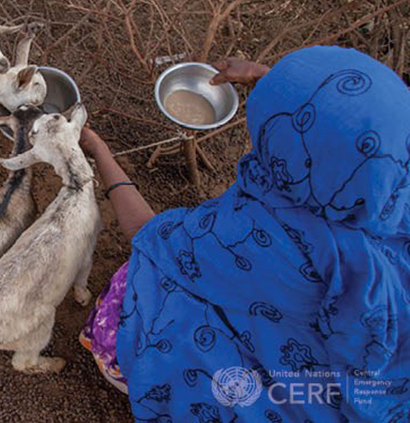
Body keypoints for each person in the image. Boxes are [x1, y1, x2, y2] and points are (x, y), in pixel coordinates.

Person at [79, 46, 410, 422]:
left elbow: (150, 234)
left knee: (138, 284)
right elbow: (344, 129)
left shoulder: (261, 234)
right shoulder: (391, 179)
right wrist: (262, 77)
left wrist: (100, 152)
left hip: (295, 393)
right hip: (367, 384)